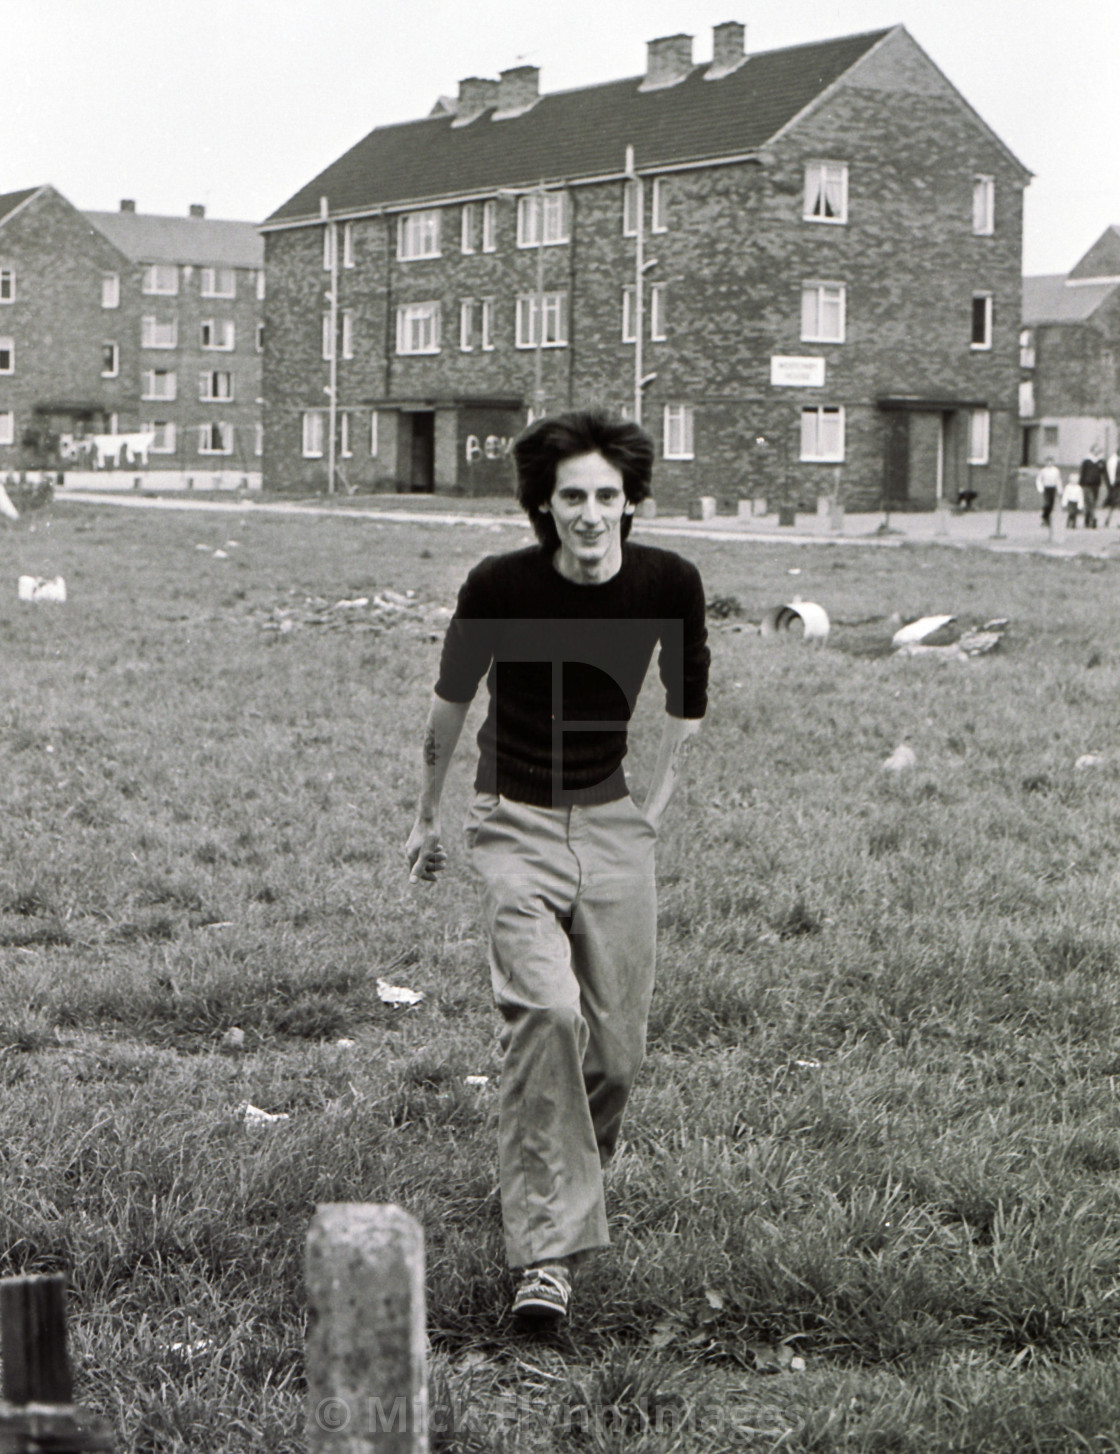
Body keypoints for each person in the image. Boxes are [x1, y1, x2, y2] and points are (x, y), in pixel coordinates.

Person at [405, 409, 710, 1325]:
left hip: (614, 825)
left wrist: (653, 809)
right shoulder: (498, 585)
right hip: (514, 820)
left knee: (615, 1056)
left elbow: (688, 706)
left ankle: (566, 1183)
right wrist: (427, 817)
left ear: (631, 503)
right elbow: (450, 704)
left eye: (607, 496)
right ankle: (548, 1259)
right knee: (546, 1012)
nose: (590, 513)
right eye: (572, 495)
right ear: (545, 503)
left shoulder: (670, 582)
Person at [1079, 444, 1105, 528]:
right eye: (1096, 449)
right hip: (1087, 484)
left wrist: (1102, 461)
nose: (1097, 451)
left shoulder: (1100, 461)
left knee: (1093, 502)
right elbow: (1083, 472)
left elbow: (1102, 471)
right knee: (1090, 501)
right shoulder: (1087, 460)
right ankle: (1093, 519)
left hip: (1096, 484)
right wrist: (1081, 483)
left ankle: (1087, 519)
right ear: (1092, 450)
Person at [1035, 455, 1062, 528]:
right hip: (1046, 488)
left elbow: (1058, 480)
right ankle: (1044, 517)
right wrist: (1040, 488)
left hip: (1053, 488)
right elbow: (1039, 480)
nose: (1049, 463)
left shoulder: (1056, 471)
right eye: (1048, 462)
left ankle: (1048, 518)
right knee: (1047, 503)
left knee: (1051, 504)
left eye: (1051, 462)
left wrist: (1059, 489)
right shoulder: (1043, 471)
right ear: (1046, 463)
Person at [1104, 446, 1120, 526]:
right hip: (1116, 484)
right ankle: (1109, 520)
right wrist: (1112, 483)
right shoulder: (1113, 460)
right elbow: (1111, 473)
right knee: (1114, 503)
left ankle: (1115, 521)